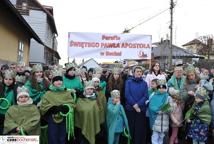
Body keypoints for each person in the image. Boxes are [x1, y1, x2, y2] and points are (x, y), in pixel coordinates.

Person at [40, 69, 76, 144]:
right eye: (56, 80)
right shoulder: (48, 93)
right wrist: (52, 108)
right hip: (52, 117)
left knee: (62, 136)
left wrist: (66, 107)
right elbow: (43, 106)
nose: (59, 82)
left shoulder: (66, 92)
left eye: (60, 80)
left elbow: (72, 103)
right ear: (53, 82)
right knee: (52, 135)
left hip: (64, 118)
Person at [125, 65, 148, 144]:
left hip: (140, 110)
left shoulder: (144, 83)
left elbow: (146, 96)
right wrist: (134, 105)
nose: (139, 73)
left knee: (139, 128)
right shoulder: (128, 82)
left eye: (140, 72)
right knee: (131, 127)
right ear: (133, 73)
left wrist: (138, 104)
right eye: (137, 71)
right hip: (130, 109)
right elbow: (127, 94)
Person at [167, 66, 186, 144]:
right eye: (177, 71)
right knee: (173, 120)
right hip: (173, 102)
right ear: (174, 72)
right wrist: (175, 96)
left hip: (182, 102)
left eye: (180, 71)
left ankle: (176, 136)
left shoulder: (185, 79)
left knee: (180, 119)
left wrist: (181, 97)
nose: (178, 73)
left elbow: (186, 90)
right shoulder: (170, 80)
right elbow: (169, 91)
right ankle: (173, 137)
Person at [0, 70, 16, 134]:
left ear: (13, 80)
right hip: (0, 113)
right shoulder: (1, 87)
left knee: (6, 130)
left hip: (9, 114)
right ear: (3, 79)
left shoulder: (14, 89)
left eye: (10, 79)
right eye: (6, 79)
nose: (8, 81)